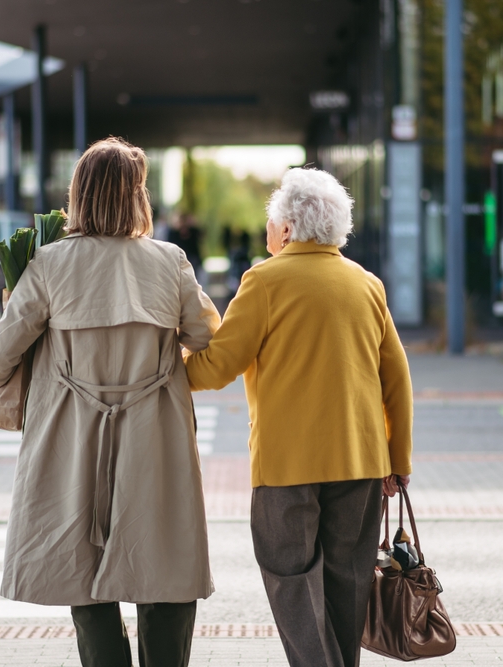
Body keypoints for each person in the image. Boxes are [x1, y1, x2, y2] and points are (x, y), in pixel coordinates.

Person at [0, 137, 220, 667]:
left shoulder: (49, 263)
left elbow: (0, 352)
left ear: (80, 196)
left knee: (81, 570)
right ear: (136, 197)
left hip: (70, 434)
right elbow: (206, 337)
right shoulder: (169, 260)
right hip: (154, 434)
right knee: (165, 563)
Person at [184, 167, 414, 667]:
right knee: (349, 581)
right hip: (361, 463)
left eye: (271, 223)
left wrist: (167, 367)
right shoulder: (367, 285)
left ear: (286, 230)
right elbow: (396, 378)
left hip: (286, 468)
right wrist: (398, 461)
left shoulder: (264, 282)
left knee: (290, 579)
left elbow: (217, 366)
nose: (268, 232)